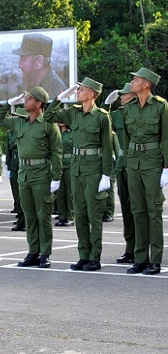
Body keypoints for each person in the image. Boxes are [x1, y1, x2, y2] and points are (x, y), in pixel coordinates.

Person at [44, 77, 114, 272]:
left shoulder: (101, 117)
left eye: (81, 89)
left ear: (91, 94)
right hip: (76, 168)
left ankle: (95, 257)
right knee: (80, 214)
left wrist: (106, 175)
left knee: (94, 214)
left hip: (93, 168)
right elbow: (48, 116)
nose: (78, 92)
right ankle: (83, 255)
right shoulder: (73, 113)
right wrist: (59, 98)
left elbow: (107, 147)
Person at [0, 87, 62, 268]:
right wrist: (9, 103)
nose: (25, 102)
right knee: (30, 215)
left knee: (43, 215)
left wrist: (56, 177)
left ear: (39, 103)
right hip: (24, 173)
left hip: (41, 173)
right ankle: (33, 252)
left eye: (29, 99)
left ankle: (45, 253)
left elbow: (57, 152)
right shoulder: (19, 122)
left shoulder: (49, 124)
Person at [119, 67, 167, 276]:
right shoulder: (129, 107)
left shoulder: (160, 106)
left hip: (153, 163)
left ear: (146, 84)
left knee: (153, 212)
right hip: (134, 163)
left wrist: (166, 168)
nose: (133, 82)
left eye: (136, 79)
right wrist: (129, 163)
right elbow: (126, 139)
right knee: (137, 210)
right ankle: (140, 258)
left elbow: (166, 137)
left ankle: (154, 260)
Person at [105, 83, 136, 263]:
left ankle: (141, 249)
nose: (121, 98)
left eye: (124, 95)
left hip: (137, 162)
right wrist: (108, 104)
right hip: (123, 163)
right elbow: (102, 119)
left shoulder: (138, 113)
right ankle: (130, 248)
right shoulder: (118, 115)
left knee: (138, 209)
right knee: (126, 209)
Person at [12, 33, 66, 101]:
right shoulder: (35, 85)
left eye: (23, 59)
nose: (19, 65)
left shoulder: (55, 90)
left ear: (39, 62)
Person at [55, 123, 75, 227]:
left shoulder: (72, 134)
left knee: (70, 192)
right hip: (59, 165)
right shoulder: (56, 133)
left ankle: (70, 216)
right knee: (60, 192)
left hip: (70, 164)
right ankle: (62, 216)